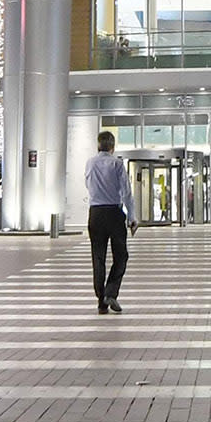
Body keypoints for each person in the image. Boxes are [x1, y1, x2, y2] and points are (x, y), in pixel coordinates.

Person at [85, 130, 132, 314]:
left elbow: (88, 184)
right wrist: (132, 216)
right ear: (113, 146)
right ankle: (111, 292)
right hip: (114, 211)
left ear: (98, 145)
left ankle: (101, 299)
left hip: (95, 212)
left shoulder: (90, 162)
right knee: (121, 255)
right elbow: (126, 191)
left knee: (98, 257)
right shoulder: (117, 164)